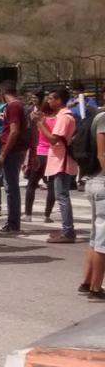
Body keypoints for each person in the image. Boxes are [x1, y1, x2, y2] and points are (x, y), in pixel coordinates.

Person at [34, 88, 79, 243]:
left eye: (51, 98)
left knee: (62, 196)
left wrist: (40, 123)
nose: (49, 101)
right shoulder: (64, 116)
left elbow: (53, 139)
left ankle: (68, 231)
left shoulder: (64, 117)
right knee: (60, 195)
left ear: (59, 100)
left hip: (62, 160)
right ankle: (67, 229)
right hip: (59, 159)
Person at [79, 107, 105, 299]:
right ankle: (96, 288)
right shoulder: (104, 119)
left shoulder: (97, 115)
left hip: (94, 180)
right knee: (102, 240)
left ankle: (87, 282)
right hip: (102, 181)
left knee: (96, 237)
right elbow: (102, 154)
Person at [0, 81, 30, 234]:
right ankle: (13, 221)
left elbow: (14, 131)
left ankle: (13, 223)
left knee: (11, 187)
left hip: (12, 150)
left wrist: (4, 152)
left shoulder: (13, 107)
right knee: (11, 187)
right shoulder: (21, 106)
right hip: (18, 149)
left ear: (4, 94)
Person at [24, 92, 55, 223]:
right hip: (53, 154)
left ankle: (28, 214)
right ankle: (47, 215)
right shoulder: (58, 118)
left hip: (40, 152)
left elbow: (32, 133)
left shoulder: (38, 117)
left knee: (32, 183)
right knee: (52, 185)